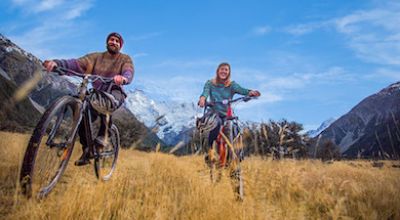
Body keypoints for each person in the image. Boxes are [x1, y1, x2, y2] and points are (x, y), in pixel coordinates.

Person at [43, 32, 134, 166]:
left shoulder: (124, 58)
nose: (113, 42)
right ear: (107, 42)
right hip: (96, 93)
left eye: (116, 41)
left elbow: (128, 71)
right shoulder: (95, 57)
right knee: (82, 115)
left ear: (120, 45)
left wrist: (123, 78)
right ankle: (87, 150)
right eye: (111, 39)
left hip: (115, 91)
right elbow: (76, 64)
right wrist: (56, 63)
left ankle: (104, 136)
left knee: (107, 103)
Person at [197, 62, 260, 162]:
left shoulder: (232, 85)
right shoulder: (210, 83)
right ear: (218, 71)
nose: (224, 71)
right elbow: (205, 92)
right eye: (222, 69)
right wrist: (202, 98)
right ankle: (210, 152)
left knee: (233, 132)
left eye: (226, 70)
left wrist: (250, 92)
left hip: (227, 115)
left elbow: (242, 90)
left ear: (229, 72)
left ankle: (233, 162)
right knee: (214, 126)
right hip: (214, 113)